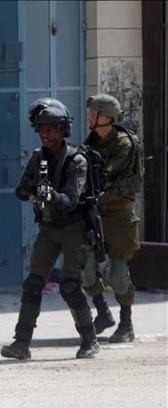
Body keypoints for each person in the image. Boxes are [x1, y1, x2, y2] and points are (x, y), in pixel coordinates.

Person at [1, 97, 100, 360]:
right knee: (33, 283)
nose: (44, 133)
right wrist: (33, 189)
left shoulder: (77, 161)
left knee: (70, 286)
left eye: (49, 128)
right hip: (48, 228)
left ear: (62, 130)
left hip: (73, 229)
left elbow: (71, 200)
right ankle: (21, 343)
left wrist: (51, 195)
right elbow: (20, 192)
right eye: (41, 128)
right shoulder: (38, 158)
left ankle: (89, 340)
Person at [82, 93, 143, 343]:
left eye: (92, 113)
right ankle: (103, 313)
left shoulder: (124, 144)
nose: (89, 117)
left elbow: (105, 176)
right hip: (95, 213)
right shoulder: (92, 142)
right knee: (85, 268)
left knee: (117, 275)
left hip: (119, 216)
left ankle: (126, 323)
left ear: (105, 116)